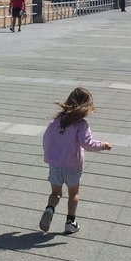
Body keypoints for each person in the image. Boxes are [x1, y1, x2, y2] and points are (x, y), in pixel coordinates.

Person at [39, 87, 112, 235]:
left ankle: (49, 209)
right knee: (73, 194)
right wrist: (102, 146)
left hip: (55, 164)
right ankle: (70, 222)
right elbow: (87, 144)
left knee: (56, 193)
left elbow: (47, 138)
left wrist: (49, 155)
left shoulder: (57, 119)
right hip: (72, 166)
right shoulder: (81, 124)